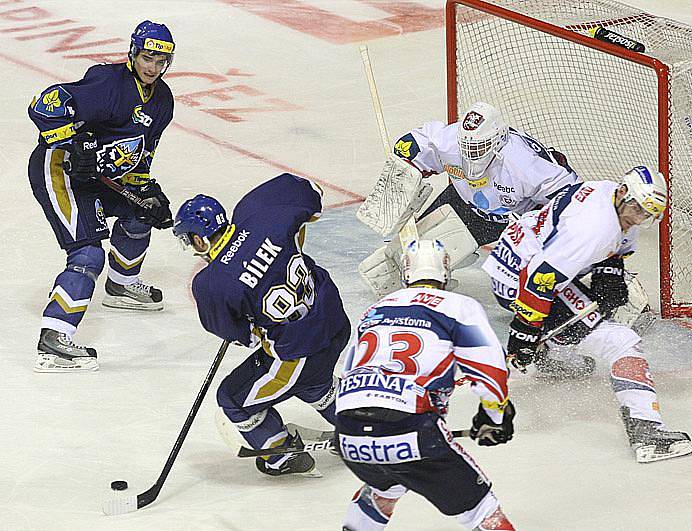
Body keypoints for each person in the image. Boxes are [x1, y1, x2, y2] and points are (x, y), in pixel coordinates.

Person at [482, 165, 692, 463]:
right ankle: (646, 429)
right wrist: (525, 334)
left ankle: (551, 355)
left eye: (645, 215)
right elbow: (540, 279)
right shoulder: (593, 229)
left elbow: (611, 250)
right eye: (635, 209)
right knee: (622, 340)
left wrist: (610, 272)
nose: (637, 218)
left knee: (591, 312)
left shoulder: (607, 194)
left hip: (517, 259)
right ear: (623, 192)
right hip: (520, 279)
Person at [173, 173, 351, 477]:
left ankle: (281, 455)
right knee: (314, 382)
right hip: (334, 322)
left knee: (232, 399)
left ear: (199, 238)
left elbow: (237, 333)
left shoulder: (212, 283)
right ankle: (365, 429)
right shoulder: (259, 211)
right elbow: (311, 192)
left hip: (300, 349)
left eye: (189, 240)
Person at [336, 239, 516, 530]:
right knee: (482, 512)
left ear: (405, 273)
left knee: (382, 492)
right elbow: (490, 372)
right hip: (411, 431)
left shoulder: (374, 310)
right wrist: (494, 416)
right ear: (446, 271)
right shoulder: (458, 306)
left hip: (349, 434)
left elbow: (348, 376)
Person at [28, 20, 176, 372]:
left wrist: (143, 189)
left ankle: (122, 286)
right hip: (59, 171)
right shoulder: (107, 83)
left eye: (160, 62)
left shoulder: (163, 101)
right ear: (133, 53)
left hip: (99, 177)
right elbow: (44, 104)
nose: (153, 68)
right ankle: (54, 337)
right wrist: (72, 141)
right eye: (147, 58)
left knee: (140, 214)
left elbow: (142, 151)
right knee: (88, 253)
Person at [359, 101, 580, 297]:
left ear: (498, 141)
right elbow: (410, 145)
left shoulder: (523, 163)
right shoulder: (448, 141)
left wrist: (539, 233)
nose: (471, 155)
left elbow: (569, 197)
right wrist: (404, 169)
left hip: (510, 221)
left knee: (522, 287)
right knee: (415, 257)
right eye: (467, 147)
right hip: (461, 201)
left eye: (479, 148)